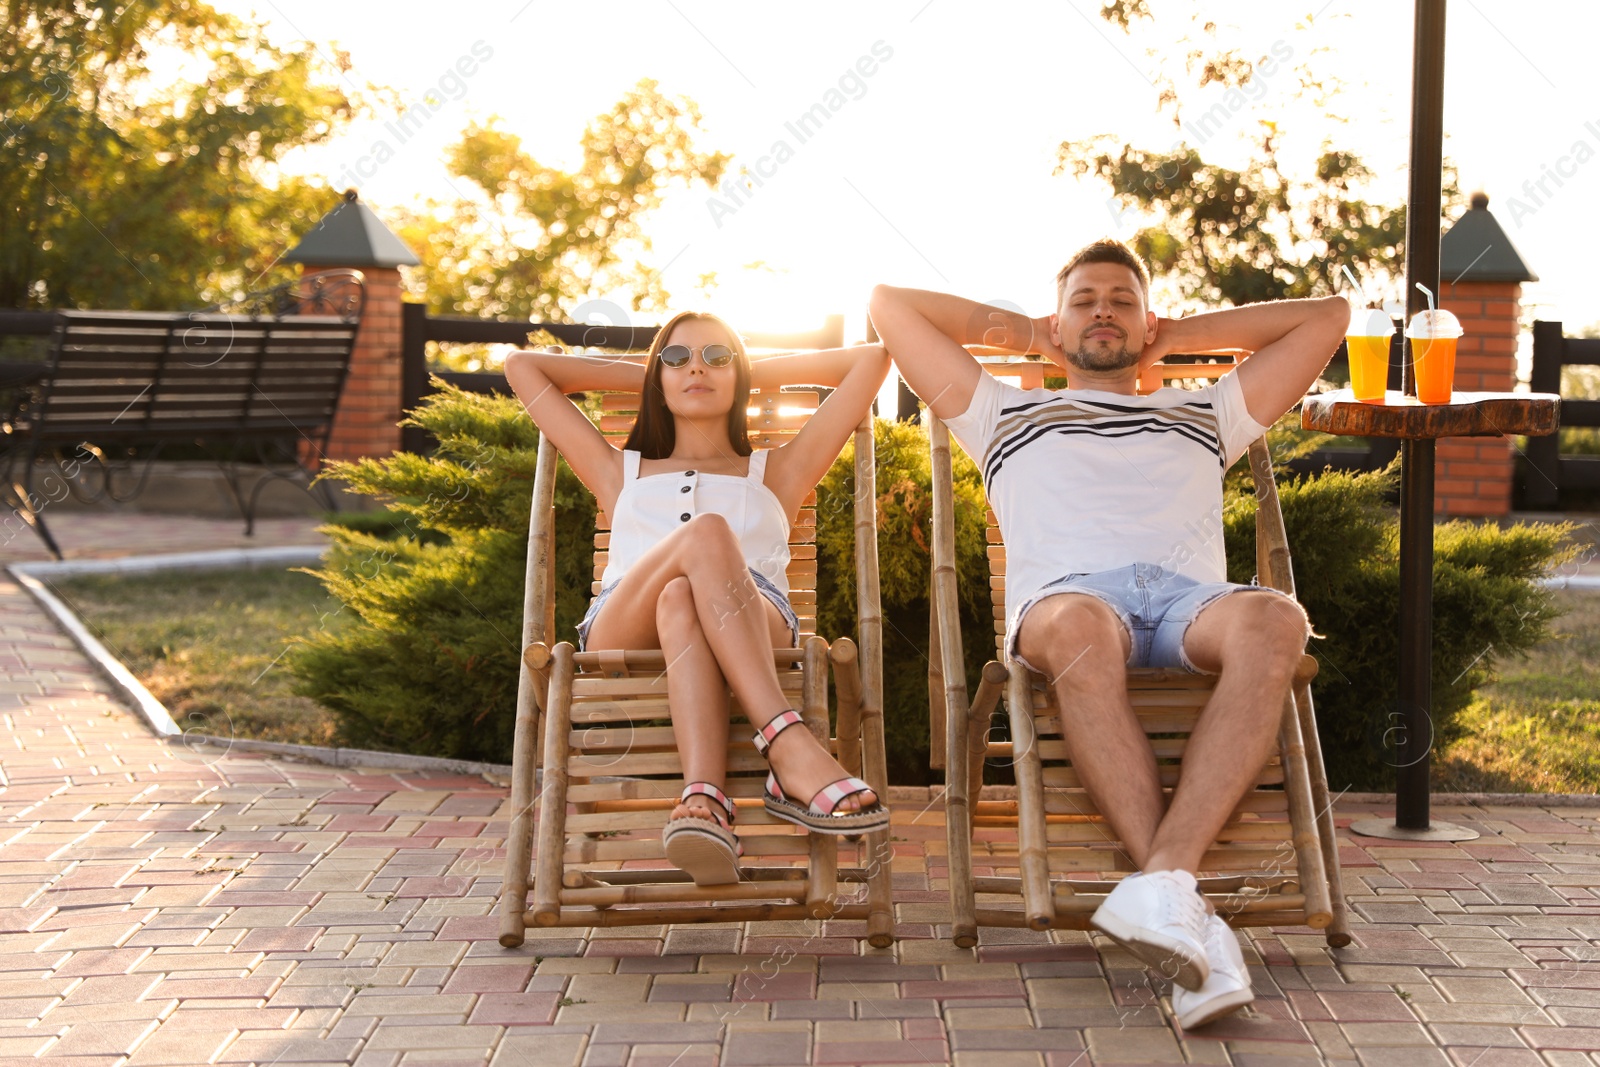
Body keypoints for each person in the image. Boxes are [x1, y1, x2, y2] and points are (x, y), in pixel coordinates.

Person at [869, 238, 1345, 1028]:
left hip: (1190, 599)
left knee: (1277, 617)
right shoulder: (1000, 411)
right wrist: (1028, 331)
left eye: (1122, 300)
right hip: (1071, 601)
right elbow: (889, 303)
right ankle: (1192, 912)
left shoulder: (1207, 411)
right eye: (1084, 300)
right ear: (1058, 321)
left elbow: (1327, 317)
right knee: (1084, 625)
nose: (1102, 312)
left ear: (1146, 319)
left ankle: (1166, 888)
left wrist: (1177, 332)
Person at [504, 312, 891, 888]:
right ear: (656, 377)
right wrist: (657, 371)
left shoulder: (777, 469)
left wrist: (740, 368)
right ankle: (786, 744)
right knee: (705, 534)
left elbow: (872, 360)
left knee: (683, 596)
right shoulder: (620, 469)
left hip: (755, 614)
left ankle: (704, 801)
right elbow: (523, 365)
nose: (697, 369)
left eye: (716, 358)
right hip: (623, 620)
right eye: (678, 359)